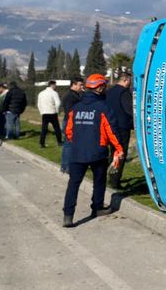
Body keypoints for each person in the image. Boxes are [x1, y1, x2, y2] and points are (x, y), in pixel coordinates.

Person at [62, 74, 123, 227]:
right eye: (105, 87)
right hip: (98, 152)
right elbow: (111, 130)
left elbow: (68, 131)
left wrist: (77, 142)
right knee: (99, 182)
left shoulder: (76, 108)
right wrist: (119, 149)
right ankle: (97, 207)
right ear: (100, 88)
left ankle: (68, 215)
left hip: (77, 152)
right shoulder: (103, 108)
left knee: (73, 184)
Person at [105, 72, 133, 189]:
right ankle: (115, 180)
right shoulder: (124, 93)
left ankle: (109, 176)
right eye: (130, 81)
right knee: (120, 153)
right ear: (125, 80)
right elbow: (129, 109)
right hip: (122, 127)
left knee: (113, 152)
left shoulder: (110, 91)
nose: (131, 83)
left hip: (110, 126)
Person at [60, 76, 84, 173]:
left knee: (70, 144)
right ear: (73, 85)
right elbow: (70, 112)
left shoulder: (76, 95)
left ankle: (66, 166)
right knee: (69, 145)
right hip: (70, 122)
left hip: (71, 122)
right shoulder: (70, 96)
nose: (82, 87)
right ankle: (66, 166)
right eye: (80, 85)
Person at [37, 80, 62, 148]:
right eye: (55, 85)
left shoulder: (41, 93)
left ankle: (42, 143)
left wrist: (41, 111)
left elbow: (39, 104)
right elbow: (58, 103)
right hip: (52, 112)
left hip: (45, 113)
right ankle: (59, 142)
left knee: (44, 129)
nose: (55, 87)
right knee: (57, 128)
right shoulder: (54, 93)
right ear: (52, 85)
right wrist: (57, 110)